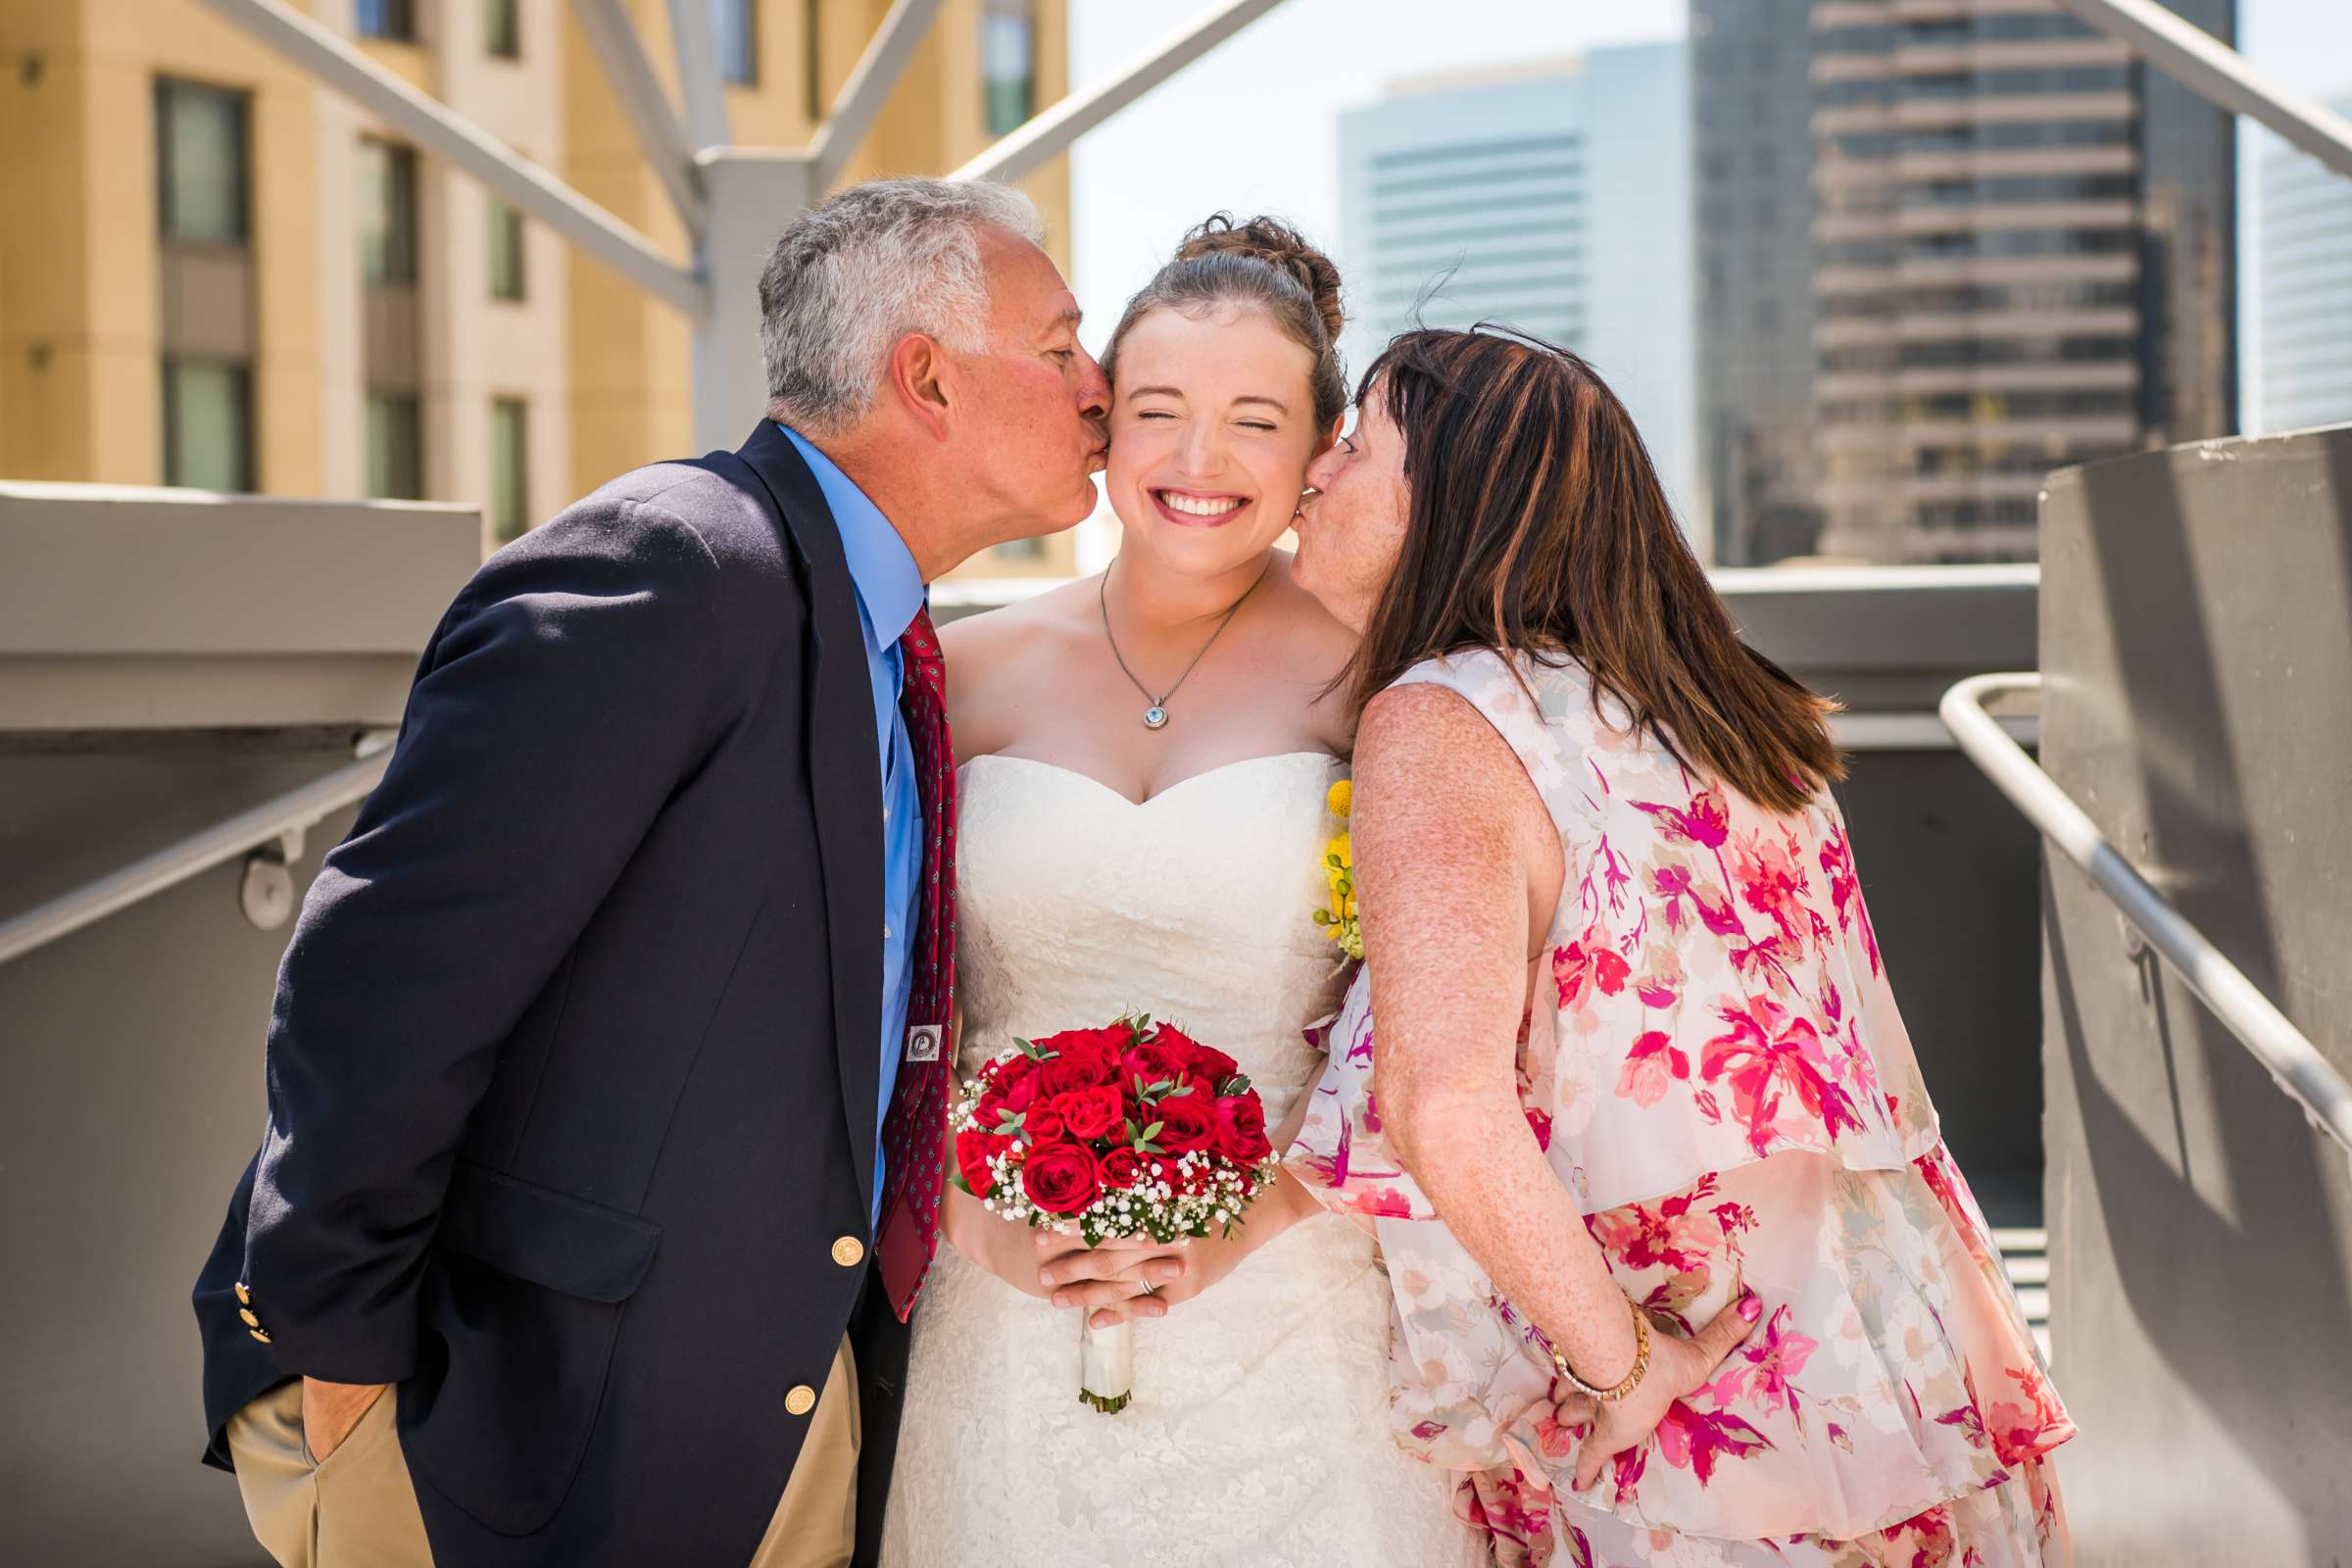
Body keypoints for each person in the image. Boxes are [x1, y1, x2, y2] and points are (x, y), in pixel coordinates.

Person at [189, 177, 1108, 1567]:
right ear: (925, 377)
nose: (1101, 388)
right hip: (507, 1429)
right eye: (1061, 348)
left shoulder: (893, 648)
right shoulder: (676, 567)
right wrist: (335, 1360)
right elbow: (379, 979)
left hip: (768, 1422)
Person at [1286, 327, 2074, 1567]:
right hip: (1883, 1358)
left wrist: (1629, 1366)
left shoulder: (1439, 718)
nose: (1311, 477)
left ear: (1454, 497)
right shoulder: (1718, 714)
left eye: (1353, 445)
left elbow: (1444, 1105)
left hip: (1679, 1407)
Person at [877, 218, 1486, 1567]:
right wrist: (959, 1218)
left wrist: (1266, 1213)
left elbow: (1456, 1011)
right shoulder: (956, 672)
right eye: (1158, 411)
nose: (1199, 463)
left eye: (1253, 421)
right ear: (1099, 426)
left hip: (1300, 1295)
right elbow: (868, 991)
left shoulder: (1398, 683)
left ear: (1323, 449)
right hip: (1001, 1298)